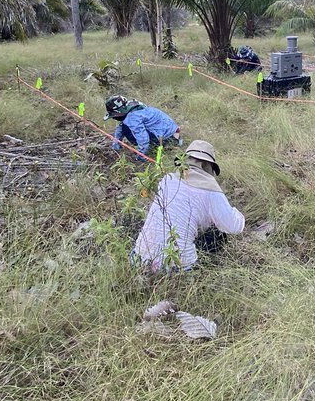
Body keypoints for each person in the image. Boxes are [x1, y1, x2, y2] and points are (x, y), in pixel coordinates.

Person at [132, 139, 245, 272]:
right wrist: (237, 213)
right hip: (177, 267)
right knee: (218, 234)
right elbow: (233, 227)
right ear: (208, 166)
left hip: (137, 259)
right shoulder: (211, 190)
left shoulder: (167, 179)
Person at [104, 95, 180, 161]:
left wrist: (141, 156)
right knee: (125, 126)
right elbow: (120, 128)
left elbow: (143, 138)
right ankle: (173, 142)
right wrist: (115, 145)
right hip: (173, 131)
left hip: (167, 137)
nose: (114, 118)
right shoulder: (135, 106)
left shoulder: (132, 118)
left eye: (114, 116)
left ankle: (164, 145)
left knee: (127, 130)